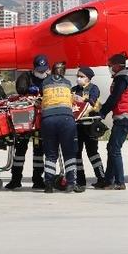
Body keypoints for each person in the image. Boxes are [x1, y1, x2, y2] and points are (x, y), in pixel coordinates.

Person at [5, 54, 50, 190]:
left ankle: (38, 179)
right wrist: (29, 90)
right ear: (34, 68)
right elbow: (20, 89)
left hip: (39, 118)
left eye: (44, 70)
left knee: (39, 150)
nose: (42, 73)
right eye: (39, 70)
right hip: (24, 116)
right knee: (20, 148)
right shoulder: (25, 77)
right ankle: (16, 179)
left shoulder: (49, 79)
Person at [95, 53, 128, 190]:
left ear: (118, 66)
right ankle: (109, 181)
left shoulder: (122, 79)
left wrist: (102, 113)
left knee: (114, 149)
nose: (110, 68)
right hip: (124, 117)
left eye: (111, 66)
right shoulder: (124, 77)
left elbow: (114, 98)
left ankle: (120, 182)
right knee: (111, 148)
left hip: (124, 118)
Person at [40, 61, 83, 193]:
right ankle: (71, 183)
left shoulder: (45, 82)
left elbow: (42, 99)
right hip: (66, 119)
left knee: (51, 155)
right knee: (69, 153)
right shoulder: (67, 83)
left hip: (48, 119)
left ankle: (48, 184)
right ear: (63, 72)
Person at [71, 66, 105, 188]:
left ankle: (101, 178)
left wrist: (82, 99)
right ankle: (80, 180)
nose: (79, 78)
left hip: (90, 126)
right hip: (77, 126)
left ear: (88, 78)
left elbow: (93, 101)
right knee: (76, 153)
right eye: (78, 76)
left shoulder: (93, 88)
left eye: (82, 76)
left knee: (93, 153)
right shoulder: (74, 89)